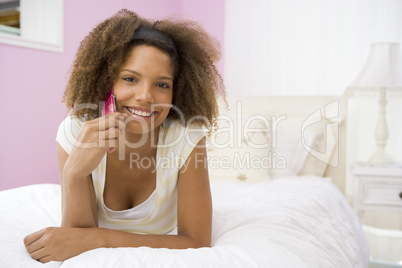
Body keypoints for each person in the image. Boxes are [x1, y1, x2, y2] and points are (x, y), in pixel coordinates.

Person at [23, 9, 225, 263]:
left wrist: (101, 238)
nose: (145, 96)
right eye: (130, 78)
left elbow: (195, 241)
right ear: (107, 82)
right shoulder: (76, 130)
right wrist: (74, 174)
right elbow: (76, 241)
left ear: (177, 91)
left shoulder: (186, 137)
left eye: (162, 84)